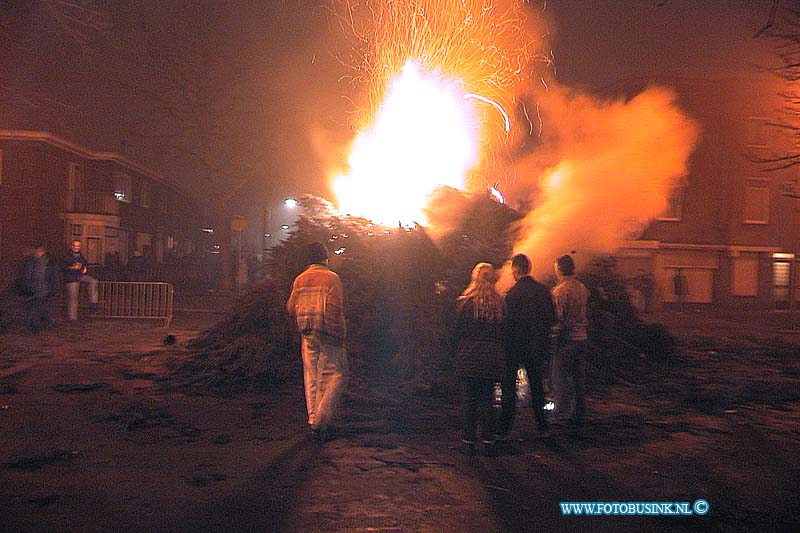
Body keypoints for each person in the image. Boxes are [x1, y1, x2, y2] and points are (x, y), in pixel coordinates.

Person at [286, 242, 349, 442]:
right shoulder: (332, 278)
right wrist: (338, 334)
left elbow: (290, 307)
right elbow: (334, 309)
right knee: (338, 374)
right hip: (328, 332)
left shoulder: (300, 279)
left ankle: (313, 420)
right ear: (326, 257)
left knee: (311, 377)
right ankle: (322, 420)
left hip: (306, 332)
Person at [498, 253, 556, 440]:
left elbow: (506, 323)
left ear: (515, 269)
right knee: (537, 386)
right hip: (537, 346)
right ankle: (542, 425)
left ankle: (505, 428)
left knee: (509, 387)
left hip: (514, 347)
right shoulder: (543, 292)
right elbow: (552, 318)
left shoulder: (512, 294)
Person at [451, 262, 506, 456]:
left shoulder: (467, 302)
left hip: (470, 356)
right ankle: (489, 440)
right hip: (491, 357)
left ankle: (468, 441)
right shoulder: (499, 304)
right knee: (487, 400)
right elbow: (504, 332)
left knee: (469, 400)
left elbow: (457, 331)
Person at [550, 254, 590, 425]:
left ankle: (562, 414)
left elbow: (559, 319)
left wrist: (551, 338)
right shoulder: (581, 288)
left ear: (559, 269)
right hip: (581, 337)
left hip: (567, 340)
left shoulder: (560, 292)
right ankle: (579, 412)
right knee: (578, 377)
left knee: (560, 377)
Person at [20, 245, 57, 331]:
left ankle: (36, 324)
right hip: (36, 288)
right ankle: (41, 322)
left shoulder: (46, 262)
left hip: (41, 288)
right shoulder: (33, 261)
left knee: (37, 306)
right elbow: (29, 274)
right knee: (39, 306)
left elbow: (50, 276)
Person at [63, 239, 98, 321]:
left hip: (79, 275)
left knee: (93, 281)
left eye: (78, 246)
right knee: (73, 298)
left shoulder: (80, 255)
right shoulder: (66, 255)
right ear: (72, 246)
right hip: (71, 278)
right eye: (75, 245)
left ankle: (93, 303)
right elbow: (63, 266)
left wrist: (84, 268)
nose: (77, 247)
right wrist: (71, 267)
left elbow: (85, 263)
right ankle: (72, 318)